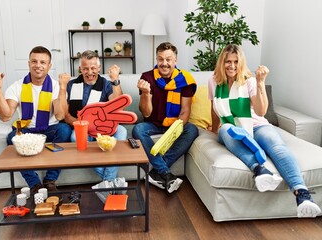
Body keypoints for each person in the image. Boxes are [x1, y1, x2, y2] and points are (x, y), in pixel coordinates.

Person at [208, 43, 321, 218]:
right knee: (227, 129)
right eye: (227, 61)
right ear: (221, 63)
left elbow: (261, 112)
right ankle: (259, 168)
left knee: (277, 147)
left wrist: (261, 83)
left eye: (236, 61)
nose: (231, 66)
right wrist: (214, 128)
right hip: (231, 128)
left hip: (256, 125)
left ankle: (302, 194)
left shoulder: (250, 80)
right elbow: (213, 107)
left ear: (241, 62)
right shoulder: (213, 81)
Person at [0, 46, 72, 194]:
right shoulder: (17, 86)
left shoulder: (55, 86)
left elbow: (60, 116)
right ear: (29, 63)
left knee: (65, 130)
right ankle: (35, 184)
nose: (38, 65)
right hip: (28, 131)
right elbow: (5, 116)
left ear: (49, 66)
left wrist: (62, 88)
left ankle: (50, 180)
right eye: (34, 61)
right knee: (12, 138)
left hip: (51, 129)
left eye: (42, 62)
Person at [132, 42, 199, 193]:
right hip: (153, 124)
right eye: (160, 59)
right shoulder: (147, 77)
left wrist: (172, 132)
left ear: (175, 60)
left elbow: (185, 111)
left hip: (175, 123)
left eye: (168, 59)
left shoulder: (185, 79)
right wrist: (145, 93)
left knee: (192, 129)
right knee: (138, 129)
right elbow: (146, 113)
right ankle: (166, 173)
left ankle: (157, 171)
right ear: (156, 59)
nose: (164, 63)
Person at [65, 50, 128, 203]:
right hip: (82, 127)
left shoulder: (106, 84)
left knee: (122, 131)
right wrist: (81, 125)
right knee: (74, 136)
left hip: (104, 128)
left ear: (99, 68)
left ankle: (106, 184)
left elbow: (118, 107)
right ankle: (111, 184)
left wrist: (116, 80)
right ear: (80, 69)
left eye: (93, 68)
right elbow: (66, 115)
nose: (90, 72)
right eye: (85, 68)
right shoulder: (72, 85)